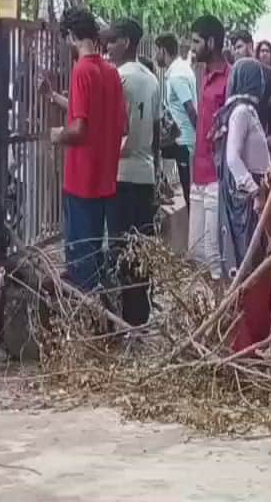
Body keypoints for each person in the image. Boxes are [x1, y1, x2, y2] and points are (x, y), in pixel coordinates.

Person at [42, 8, 127, 292]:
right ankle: (100, 308)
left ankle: (86, 313)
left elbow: (79, 129)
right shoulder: (111, 72)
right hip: (105, 179)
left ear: (70, 36)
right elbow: (118, 123)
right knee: (94, 252)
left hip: (81, 180)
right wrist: (56, 98)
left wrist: (58, 135)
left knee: (80, 261)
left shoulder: (81, 70)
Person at [212, 59, 271, 352]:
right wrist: (254, 191)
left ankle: (255, 339)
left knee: (258, 269)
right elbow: (232, 158)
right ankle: (244, 341)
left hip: (257, 194)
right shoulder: (240, 113)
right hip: (249, 203)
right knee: (248, 267)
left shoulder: (248, 111)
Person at [104, 19, 160, 325]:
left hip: (120, 174)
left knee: (118, 247)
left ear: (126, 42)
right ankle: (140, 315)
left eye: (112, 41)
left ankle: (122, 318)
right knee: (141, 249)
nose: (108, 46)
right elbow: (156, 132)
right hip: (145, 175)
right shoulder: (152, 80)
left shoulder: (117, 78)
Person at [189, 15, 231, 281]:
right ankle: (207, 304)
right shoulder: (204, 75)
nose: (193, 48)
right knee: (196, 253)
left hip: (217, 176)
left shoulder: (230, 78)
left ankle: (220, 305)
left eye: (196, 42)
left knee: (214, 255)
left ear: (211, 42)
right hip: (199, 173)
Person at [155, 34, 197, 209]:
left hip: (183, 142)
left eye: (157, 51)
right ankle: (162, 186)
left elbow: (190, 108)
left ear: (164, 50)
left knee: (189, 192)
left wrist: (199, 136)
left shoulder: (177, 76)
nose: (156, 56)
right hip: (181, 139)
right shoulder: (181, 70)